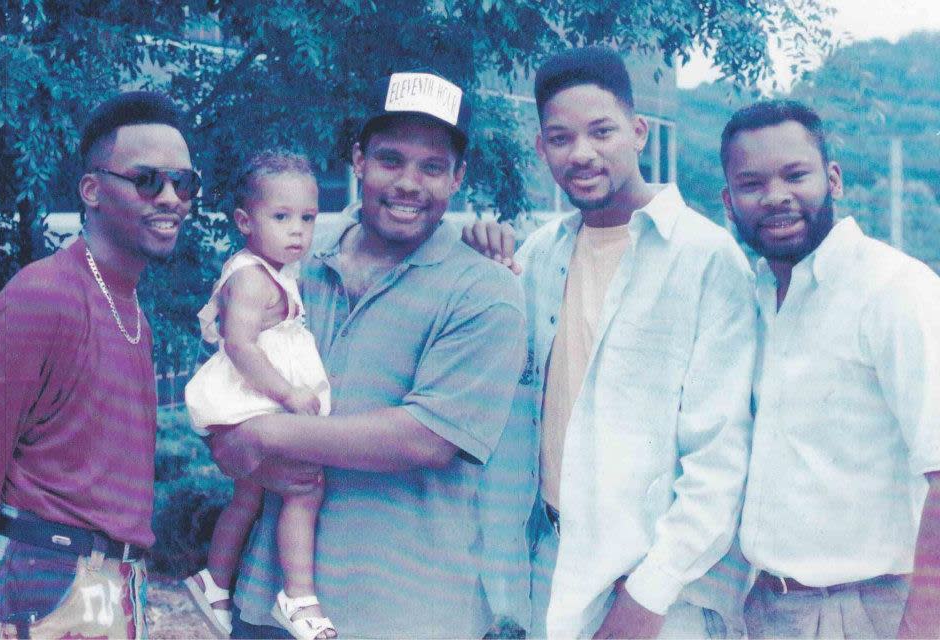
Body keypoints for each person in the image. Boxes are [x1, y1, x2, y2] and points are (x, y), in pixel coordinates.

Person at [207, 69, 527, 639]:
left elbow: (425, 438)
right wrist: (227, 434)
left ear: (458, 178)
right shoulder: (294, 261)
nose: (408, 182)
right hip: (270, 607)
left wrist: (258, 436)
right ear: (358, 160)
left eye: (432, 167)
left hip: (404, 614)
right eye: (390, 159)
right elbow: (231, 373)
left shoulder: (485, 290)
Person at [464, 46, 757, 638]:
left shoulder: (704, 257)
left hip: (655, 588)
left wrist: (647, 598)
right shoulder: (538, 255)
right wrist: (479, 270)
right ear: (542, 148)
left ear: (638, 132)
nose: (583, 153)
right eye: (561, 138)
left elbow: (721, 457)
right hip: (547, 566)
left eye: (602, 132)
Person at [0, 91, 200, 638]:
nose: (171, 197)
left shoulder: (132, 313)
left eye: (184, 183)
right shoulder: (42, 297)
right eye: (147, 180)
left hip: (115, 583)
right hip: (41, 582)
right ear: (92, 190)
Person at [719, 99, 940, 639]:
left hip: (868, 611)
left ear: (833, 178)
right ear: (728, 201)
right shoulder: (755, 301)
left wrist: (923, 623)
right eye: (752, 184)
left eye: (796, 175)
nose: (776, 197)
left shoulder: (895, 291)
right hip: (766, 607)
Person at [181, 150, 334, 640]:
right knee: (305, 487)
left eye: (308, 218)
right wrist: (289, 394)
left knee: (247, 496)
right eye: (282, 217)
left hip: (253, 407)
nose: (298, 231)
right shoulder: (250, 276)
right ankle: (299, 596)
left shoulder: (276, 272)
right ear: (245, 221)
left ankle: (214, 581)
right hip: (245, 405)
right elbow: (240, 345)